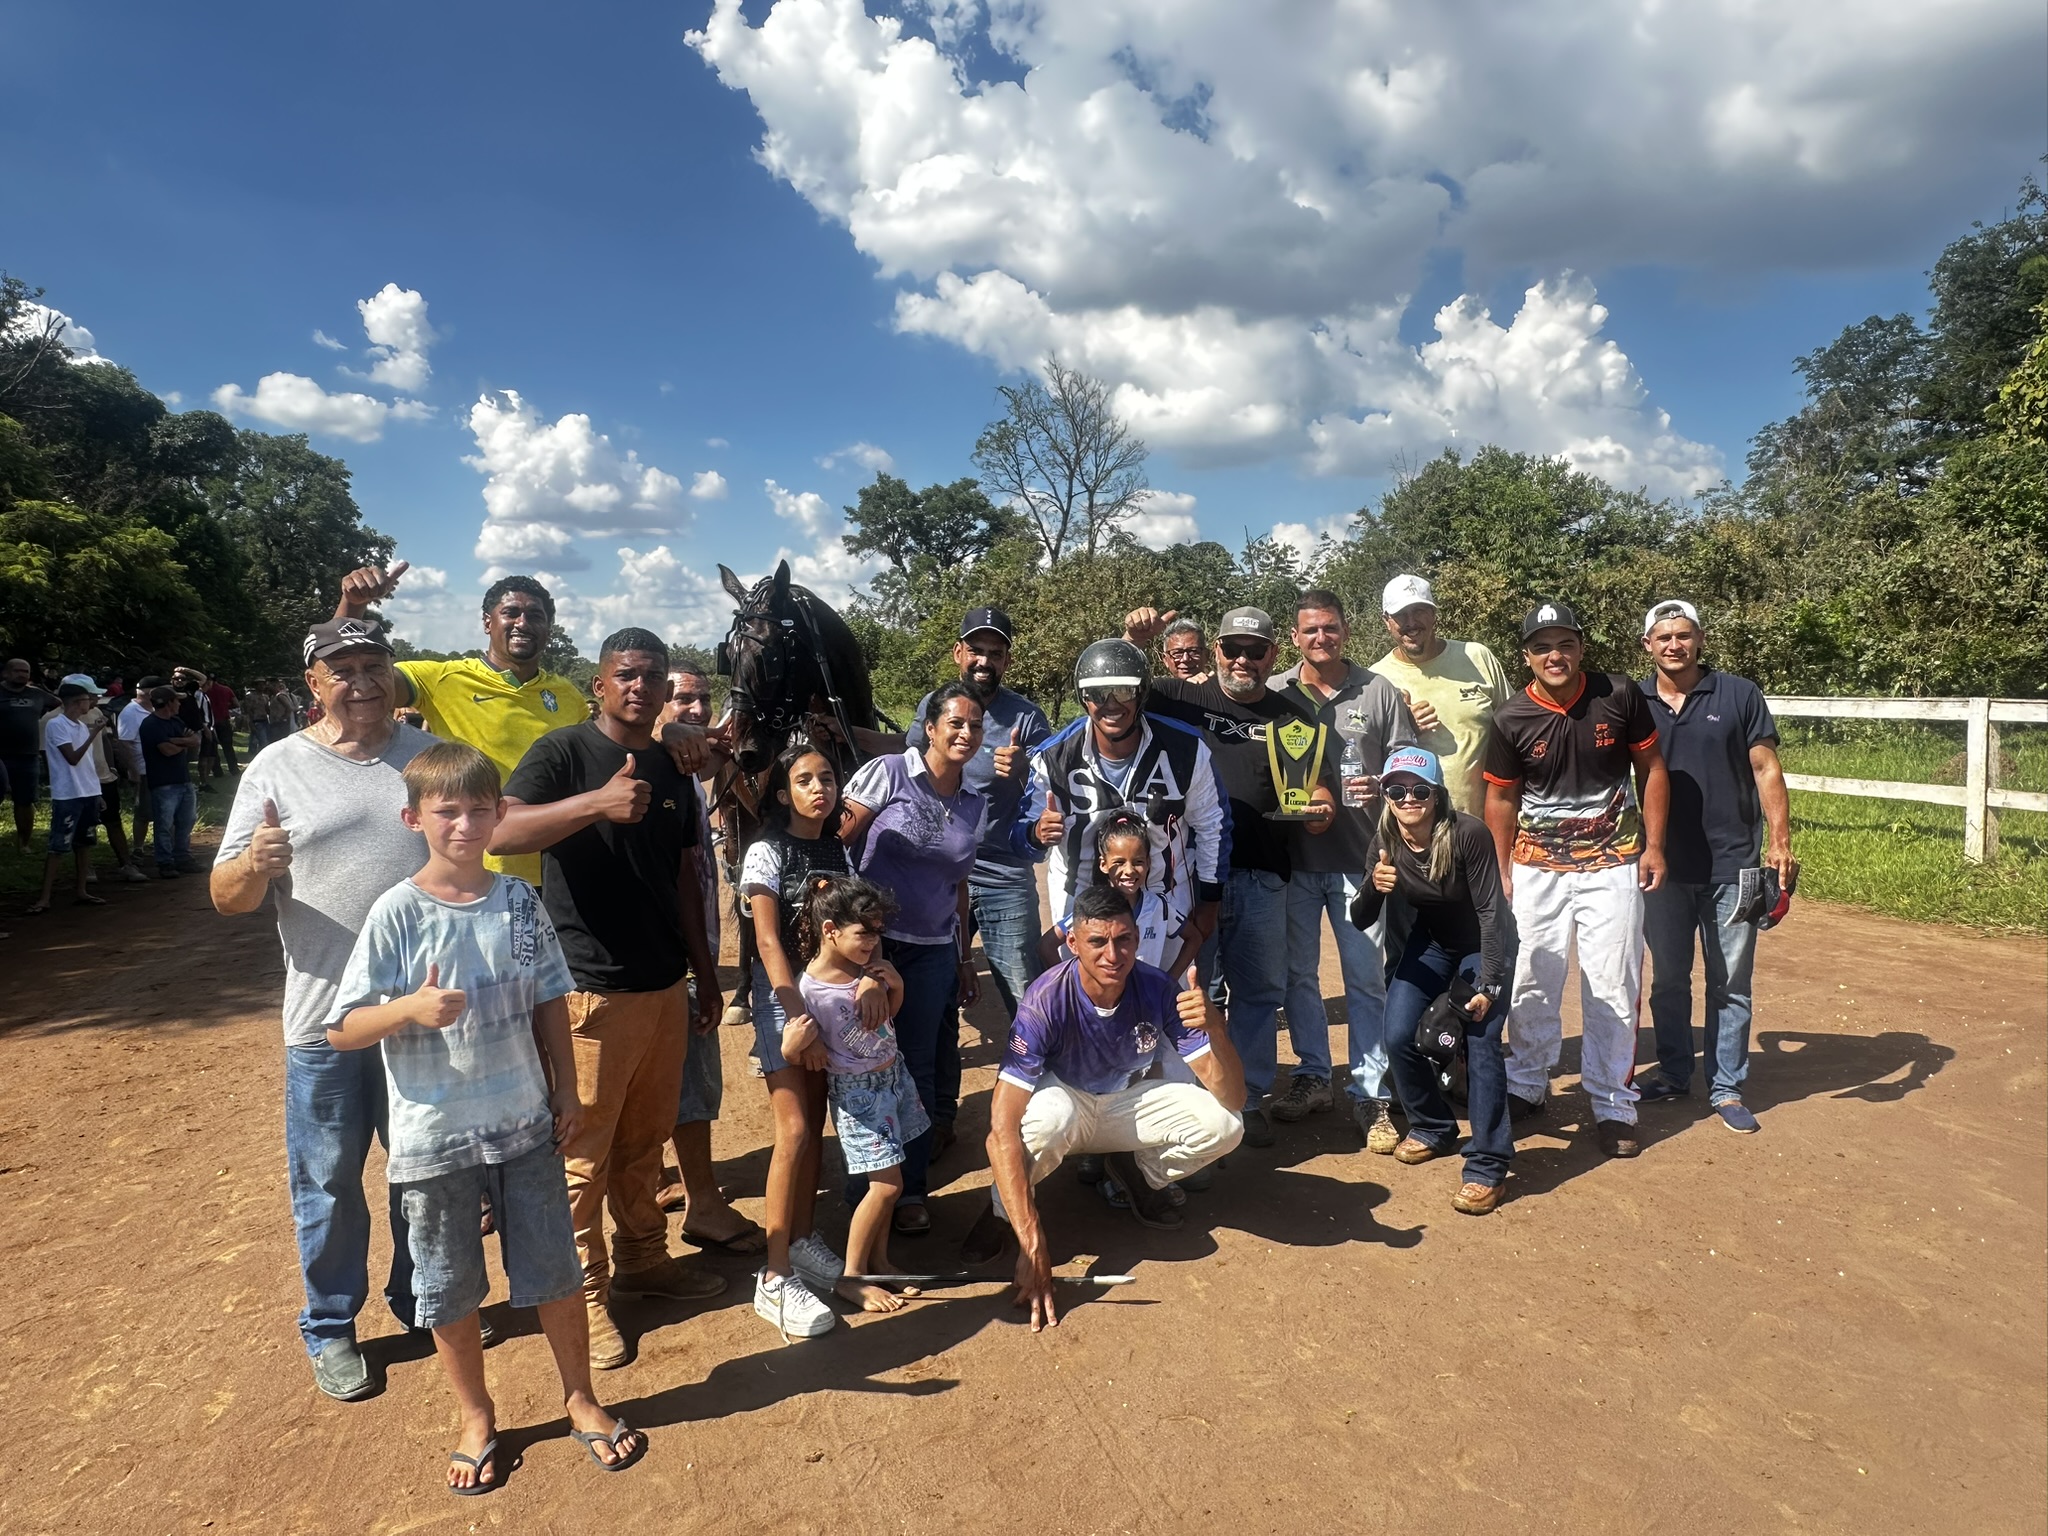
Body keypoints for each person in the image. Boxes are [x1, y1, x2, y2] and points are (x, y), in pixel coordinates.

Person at [327, 742, 645, 1493]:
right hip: (434, 1141)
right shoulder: (396, 912)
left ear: (500, 814)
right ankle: (475, 1416)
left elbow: (549, 1000)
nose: (465, 825)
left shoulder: (520, 903)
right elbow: (342, 1028)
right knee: (449, 1287)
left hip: (526, 1126)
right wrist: (408, 1009)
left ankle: (581, 1399)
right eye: (448, 812)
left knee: (556, 1272)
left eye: (479, 810)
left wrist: (566, 1091)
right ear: (414, 819)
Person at [211, 618, 435, 1401]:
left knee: (422, 1172)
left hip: (419, 1020)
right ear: (314, 684)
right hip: (324, 1024)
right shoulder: (278, 767)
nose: (363, 683)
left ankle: (421, 1297)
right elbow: (228, 898)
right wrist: (253, 863)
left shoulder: (428, 758)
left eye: (376, 666)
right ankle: (332, 1325)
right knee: (330, 1185)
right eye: (344, 670)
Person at [495, 628, 725, 1370]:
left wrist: (703, 970)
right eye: (625, 674)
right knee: (581, 1157)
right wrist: (596, 802)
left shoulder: (671, 764)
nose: (639, 686)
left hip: (662, 984)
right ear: (599, 684)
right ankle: (584, 1295)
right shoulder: (563, 753)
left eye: (652, 676)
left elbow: (685, 876)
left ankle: (644, 1260)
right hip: (587, 991)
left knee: (643, 1141)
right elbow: (500, 830)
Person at [959, 885, 1246, 1328]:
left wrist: (1217, 1030)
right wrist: (1033, 1244)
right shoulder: (1044, 999)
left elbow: (1233, 1098)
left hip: (1125, 1101)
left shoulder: (1159, 988)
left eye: (1124, 939)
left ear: (1137, 938)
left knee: (1226, 1124)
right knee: (1041, 1125)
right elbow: (1000, 1132)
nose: (1113, 955)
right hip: (1067, 1099)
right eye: (1098, 941)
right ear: (1073, 944)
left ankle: (1136, 1172)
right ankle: (1003, 1210)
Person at [1123, 605, 1337, 1149]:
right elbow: (1117, 695)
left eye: (1255, 650)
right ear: (1215, 651)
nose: (1243, 660)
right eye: (1232, 649)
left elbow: (1315, 783)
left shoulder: (1294, 718)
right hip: (1188, 879)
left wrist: (1320, 806)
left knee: (1259, 992)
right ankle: (1188, 1093)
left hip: (1264, 875)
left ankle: (1250, 1096)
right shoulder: (1178, 697)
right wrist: (1133, 640)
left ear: (1273, 655)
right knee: (1185, 986)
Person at [1482, 602, 1669, 1159]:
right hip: (1536, 867)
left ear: (1581, 647)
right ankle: (1526, 1083)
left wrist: (1654, 846)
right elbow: (1500, 798)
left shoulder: (1619, 694)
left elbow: (1652, 769)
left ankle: (1613, 1103)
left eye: (1565, 644)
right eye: (1542, 647)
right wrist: (1500, 870)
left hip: (1613, 862)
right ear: (1527, 656)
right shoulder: (1512, 717)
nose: (1555, 656)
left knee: (1613, 981)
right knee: (1531, 977)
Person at [1635, 599, 1798, 1135]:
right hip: (1660, 864)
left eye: (1683, 635)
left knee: (1731, 981)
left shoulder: (1739, 694)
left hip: (1735, 863)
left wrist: (1780, 842)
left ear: (1700, 639)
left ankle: (1727, 1087)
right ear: (1648, 645)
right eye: (1663, 637)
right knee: (1668, 979)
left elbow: (1765, 767)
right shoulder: (1633, 701)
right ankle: (1674, 1072)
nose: (1674, 645)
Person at [1268, 589, 1417, 1151]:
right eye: (1310, 630)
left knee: (1365, 980)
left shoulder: (1378, 692)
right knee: (1298, 976)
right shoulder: (1275, 692)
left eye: (1329, 628)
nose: (1320, 638)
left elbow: (1407, 767)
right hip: (1294, 863)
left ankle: (1370, 1092)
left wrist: (1383, 786)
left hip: (1362, 861)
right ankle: (1312, 1075)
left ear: (1345, 631)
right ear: (1294, 637)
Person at [839, 684, 988, 1231]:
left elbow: (958, 886)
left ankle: (910, 1192)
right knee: (863, 1061)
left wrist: (964, 957)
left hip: (930, 953)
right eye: (955, 722)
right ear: (930, 727)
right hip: (869, 946)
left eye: (975, 725)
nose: (965, 733)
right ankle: (863, 1188)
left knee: (917, 1067)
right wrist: (853, 938)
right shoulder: (887, 773)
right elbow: (838, 839)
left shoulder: (974, 803)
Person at [1350, 747, 1519, 1214]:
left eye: (1419, 790)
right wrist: (1374, 887)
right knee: (1398, 1032)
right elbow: (1360, 917)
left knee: (1481, 1040)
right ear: (1385, 795)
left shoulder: (1468, 833)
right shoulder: (1385, 837)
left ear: (1437, 795)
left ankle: (1488, 1165)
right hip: (1432, 942)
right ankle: (1432, 1125)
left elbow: (1491, 913)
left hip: (1485, 944)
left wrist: (1488, 983)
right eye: (1396, 789)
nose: (1408, 799)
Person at [739, 736, 855, 1339]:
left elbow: (852, 930)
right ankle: (775, 1274)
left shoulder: (838, 849)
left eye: (827, 778)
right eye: (805, 780)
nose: (820, 789)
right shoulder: (766, 852)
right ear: (783, 794)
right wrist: (794, 1017)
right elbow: (766, 941)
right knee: (793, 1130)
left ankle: (804, 1241)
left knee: (816, 1125)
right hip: (782, 999)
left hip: (828, 1000)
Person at [651, 663, 764, 1255]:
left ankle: (658, 1180)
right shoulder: (645, 762)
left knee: (661, 1071)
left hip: (684, 947)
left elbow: (745, 782)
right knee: (689, 1071)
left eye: (702, 698)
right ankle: (702, 1201)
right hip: (669, 950)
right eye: (680, 699)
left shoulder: (687, 767)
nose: (695, 710)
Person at [1020, 638, 1224, 960]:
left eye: (1124, 691)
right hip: (1081, 901)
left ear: (1141, 693)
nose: (1111, 704)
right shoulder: (1053, 758)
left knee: (1163, 989)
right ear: (1083, 697)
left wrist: (1210, 899)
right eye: (1098, 693)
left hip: (1164, 900)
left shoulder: (1185, 749)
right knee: (1091, 990)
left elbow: (1213, 827)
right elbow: (1021, 840)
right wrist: (1036, 833)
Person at [908, 606, 1053, 1019]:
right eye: (976, 650)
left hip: (1002, 872)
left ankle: (1039, 1059)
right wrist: (847, 733)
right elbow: (908, 762)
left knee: (1027, 996)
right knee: (928, 988)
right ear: (959, 652)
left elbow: (1049, 789)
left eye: (995, 652)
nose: (984, 661)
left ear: (1007, 660)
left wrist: (1025, 770)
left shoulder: (1026, 717)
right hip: (938, 870)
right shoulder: (934, 705)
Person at [795, 876, 923, 1314]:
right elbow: (796, 1050)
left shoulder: (867, 969)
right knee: (886, 1187)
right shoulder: (811, 990)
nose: (872, 942)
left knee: (889, 1181)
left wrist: (894, 986)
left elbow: (885, 1020)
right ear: (830, 930)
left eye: (877, 932)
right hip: (859, 1098)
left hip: (893, 1080)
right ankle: (851, 1277)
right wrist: (794, 1046)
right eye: (864, 933)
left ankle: (878, 1263)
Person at [1369, 575, 1511, 817]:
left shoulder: (1477, 657)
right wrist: (1405, 730)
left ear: (1434, 614)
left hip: (1483, 822)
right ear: (1386, 621)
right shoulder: (1376, 679)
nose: (1411, 622)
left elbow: (1514, 730)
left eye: (1419, 611)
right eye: (1401, 614)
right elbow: (1370, 761)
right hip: (1416, 827)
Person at [1039, 807, 1182, 973]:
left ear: (1148, 862)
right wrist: (1068, 982)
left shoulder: (1158, 906)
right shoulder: (1090, 908)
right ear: (1103, 865)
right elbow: (1046, 945)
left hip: (1146, 991)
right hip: (1100, 991)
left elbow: (1193, 938)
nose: (1129, 871)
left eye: (1138, 862)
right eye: (1119, 862)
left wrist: (1169, 980)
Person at [29, 680, 108, 914]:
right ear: (75, 702)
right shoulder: (57, 725)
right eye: (87, 700)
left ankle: (81, 890)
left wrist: (97, 792)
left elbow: (87, 764)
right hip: (68, 794)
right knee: (58, 846)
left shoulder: (80, 726)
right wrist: (94, 734)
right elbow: (72, 758)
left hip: (87, 792)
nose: (90, 703)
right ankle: (44, 897)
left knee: (84, 844)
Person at [139, 685, 203, 877]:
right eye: (176, 701)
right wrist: (182, 743)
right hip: (163, 782)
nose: (179, 704)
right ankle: (165, 862)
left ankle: (182, 857)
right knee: (164, 824)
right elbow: (167, 751)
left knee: (187, 821)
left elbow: (195, 740)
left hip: (183, 779)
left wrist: (174, 741)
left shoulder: (175, 721)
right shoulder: (150, 724)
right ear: (168, 703)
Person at [2, 656, 58, 853]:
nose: (22, 675)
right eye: (17, 671)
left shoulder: (37, 694)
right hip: (1, 756)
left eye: (25, 671)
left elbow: (60, 704)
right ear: (6, 673)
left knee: (25, 801)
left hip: (28, 756)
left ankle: (24, 843)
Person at [116, 674, 165, 865]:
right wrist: (133, 770)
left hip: (161, 768)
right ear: (150, 692)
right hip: (144, 769)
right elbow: (124, 743)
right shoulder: (131, 712)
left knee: (164, 810)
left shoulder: (155, 709)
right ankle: (138, 848)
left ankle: (162, 846)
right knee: (144, 812)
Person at [205, 673, 240, 776]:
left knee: (213, 748)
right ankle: (234, 769)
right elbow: (236, 704)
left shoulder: (205, 691)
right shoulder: (226, 689)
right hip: (224, 721)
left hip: (210, 722)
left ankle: (217, 771)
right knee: (228, 747)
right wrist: (225, 706)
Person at [1158, 618, 1210, 683]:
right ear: (1165, 660)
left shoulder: (1218, 687)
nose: (1185, 659)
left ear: (1206, 655)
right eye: (1177, 653)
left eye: (1193, 651)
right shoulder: (1157, 688)